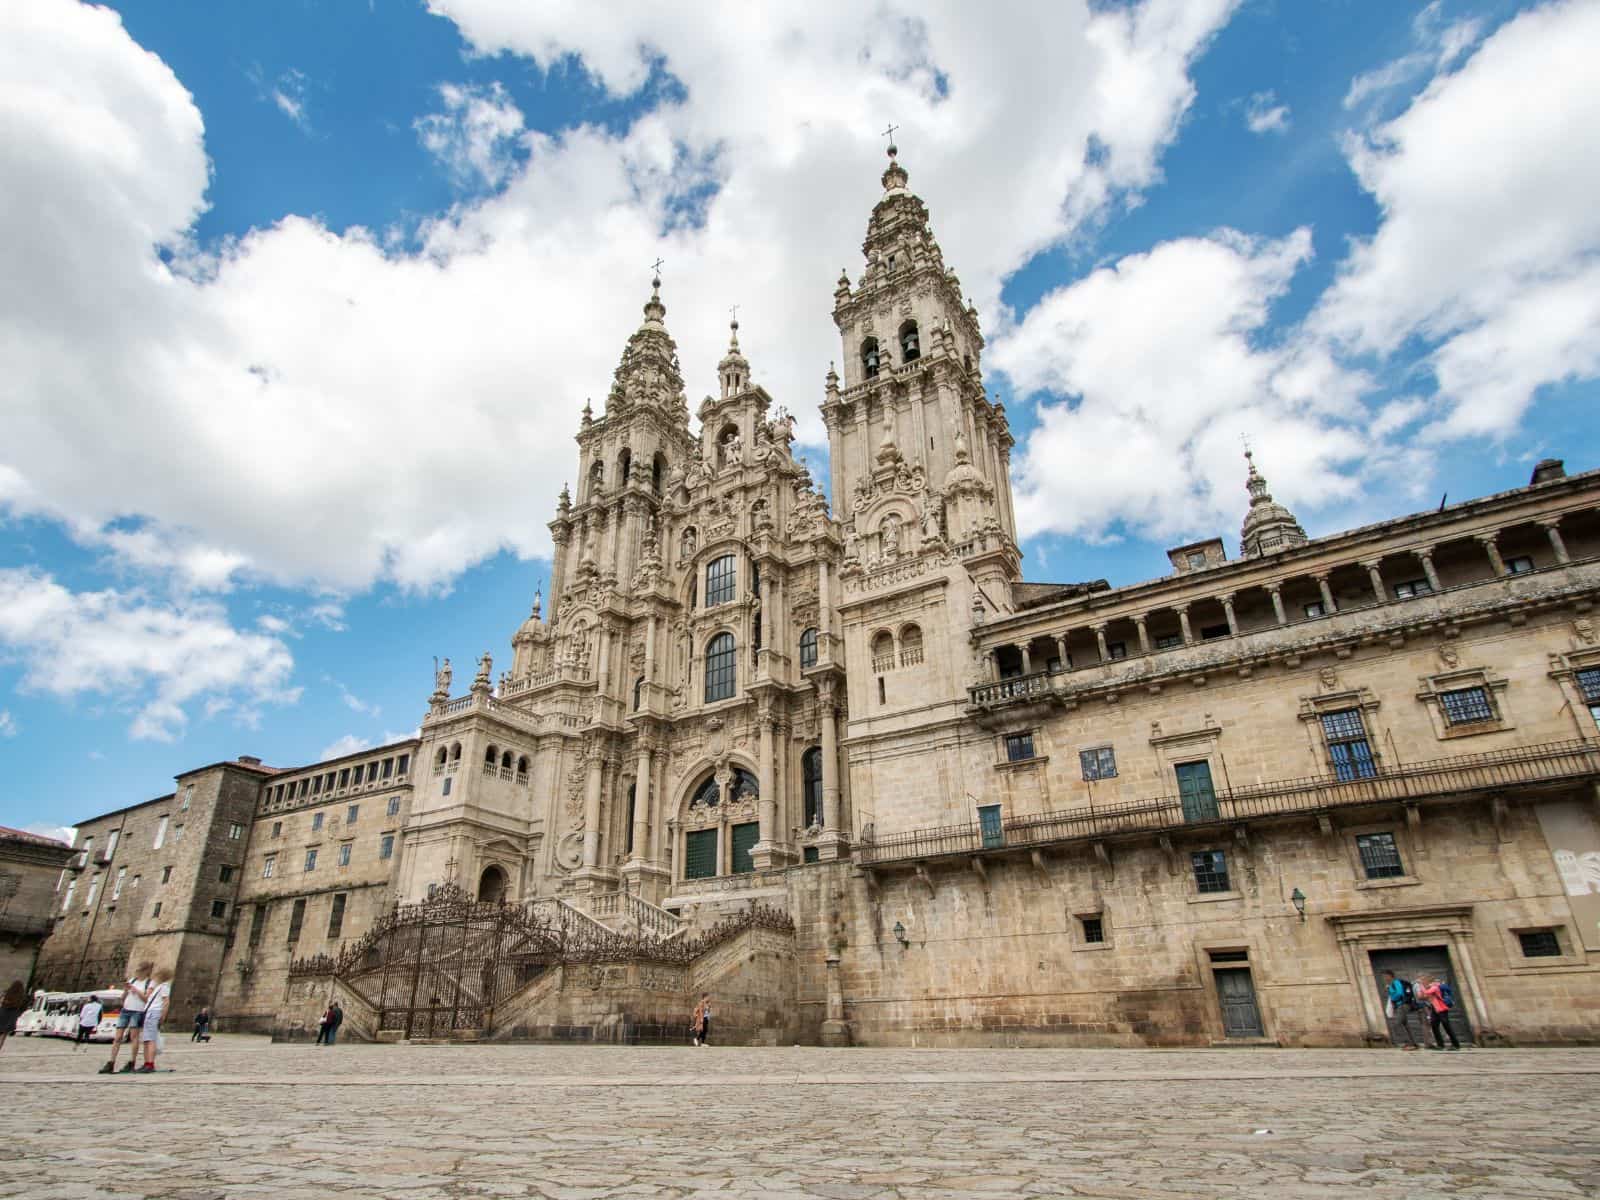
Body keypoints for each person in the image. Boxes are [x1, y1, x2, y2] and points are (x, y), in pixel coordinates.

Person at [100, 961, 153, 1074]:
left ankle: (132, 1062)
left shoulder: (149, 983)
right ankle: (111, 1062)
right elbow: (123, 998)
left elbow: (146, 999)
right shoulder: (132, 980)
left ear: (145, 972)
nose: (137, 973)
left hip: (137, 1011)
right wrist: (125, 991)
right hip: (125, 1010)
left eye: (140, 971)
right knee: (117, 1037)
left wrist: (136, 990)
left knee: (134, 1038)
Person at [137, 967, 173, 1073]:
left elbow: (166, 1002)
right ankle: (146, 1062)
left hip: (154, 1013)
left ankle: (150, 1064)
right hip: (149, 1012)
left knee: (151, 1039)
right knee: (147, 1039)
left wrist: (163, 1016)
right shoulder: (159, 986)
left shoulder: (165, 987)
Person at [1416, 973, 1461, 1051]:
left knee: (1447, 1026)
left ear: (1428, 981)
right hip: (1435, 1008)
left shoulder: (1435, 986)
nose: (1422, 982)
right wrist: (1422, 989)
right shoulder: (1428, 987)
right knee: (1434, 1026)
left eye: (1423, 980)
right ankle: (1440, 1045)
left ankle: (1456, 1045)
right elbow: (1421, 996)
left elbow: (1427, 993)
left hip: (1442, 1008)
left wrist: (1421, 985)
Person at [1381, 970, 1421, 1050]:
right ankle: (1414, 1043)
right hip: (1400, 1005)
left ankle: (1408, 1043)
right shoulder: (1391, 984)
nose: (1384, 978)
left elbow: (1399, 993)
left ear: (1389, 976)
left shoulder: (1396, 982)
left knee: (1397, 1024)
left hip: (1402, 1005)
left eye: (1385, 976)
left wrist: (1392, 996)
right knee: (1405, 1025)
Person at [0, 981, 25, 1052]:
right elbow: (23, 1008)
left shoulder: (6, 993)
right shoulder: (21, 997)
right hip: (11, 1018)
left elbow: (1, 1002)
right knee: (3, 1037)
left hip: (2, 1014)